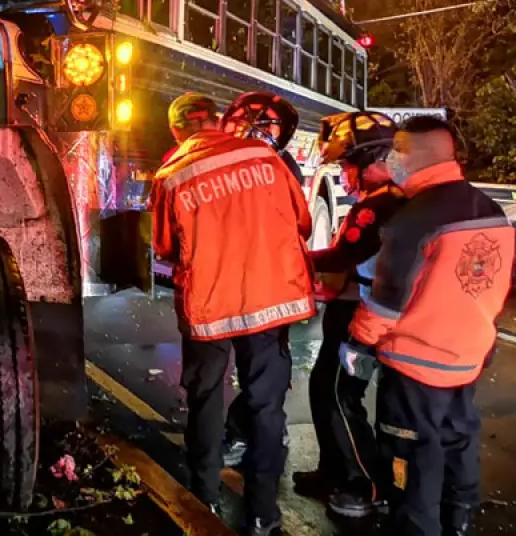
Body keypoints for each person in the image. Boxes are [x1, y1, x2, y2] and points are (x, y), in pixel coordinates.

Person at [152, 92, 315, 536]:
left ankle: (202, 496)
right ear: (219, 121)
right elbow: (303, 222)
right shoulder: (265, 157)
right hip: (270, 300)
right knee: (266, 408)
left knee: (206, 400)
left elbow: (165, 249)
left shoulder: (171, 175)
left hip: (209, 308)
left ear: (176, 129)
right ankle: (264, 513)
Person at [341, 115, 514, 536]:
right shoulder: (489, 209)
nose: (392, 157)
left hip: (415, 365)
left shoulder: (413, 218)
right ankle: (459, 522)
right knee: (459, 444)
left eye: (398, 149)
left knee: (411, 462)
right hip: (467, 358)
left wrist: (358, 344)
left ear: (419, 155)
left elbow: (387, 301)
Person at [289, 111, 405, 518]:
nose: (343, 174)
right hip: (350, 309)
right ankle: (334, 469)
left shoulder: (383, 204)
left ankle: (366, 484)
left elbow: (346, 253)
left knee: (341, 394)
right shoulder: (377, 201)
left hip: (363, 317)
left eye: (347, 164)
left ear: (369, 159)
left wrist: (296, 256)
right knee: (324, 390)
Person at [218, 92, 304, 468]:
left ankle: (254, 436)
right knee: (256, 370)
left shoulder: (281, 170)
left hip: (264, 290)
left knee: (263, 373)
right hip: (244, 288)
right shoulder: (229, 164)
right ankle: (261, 433)